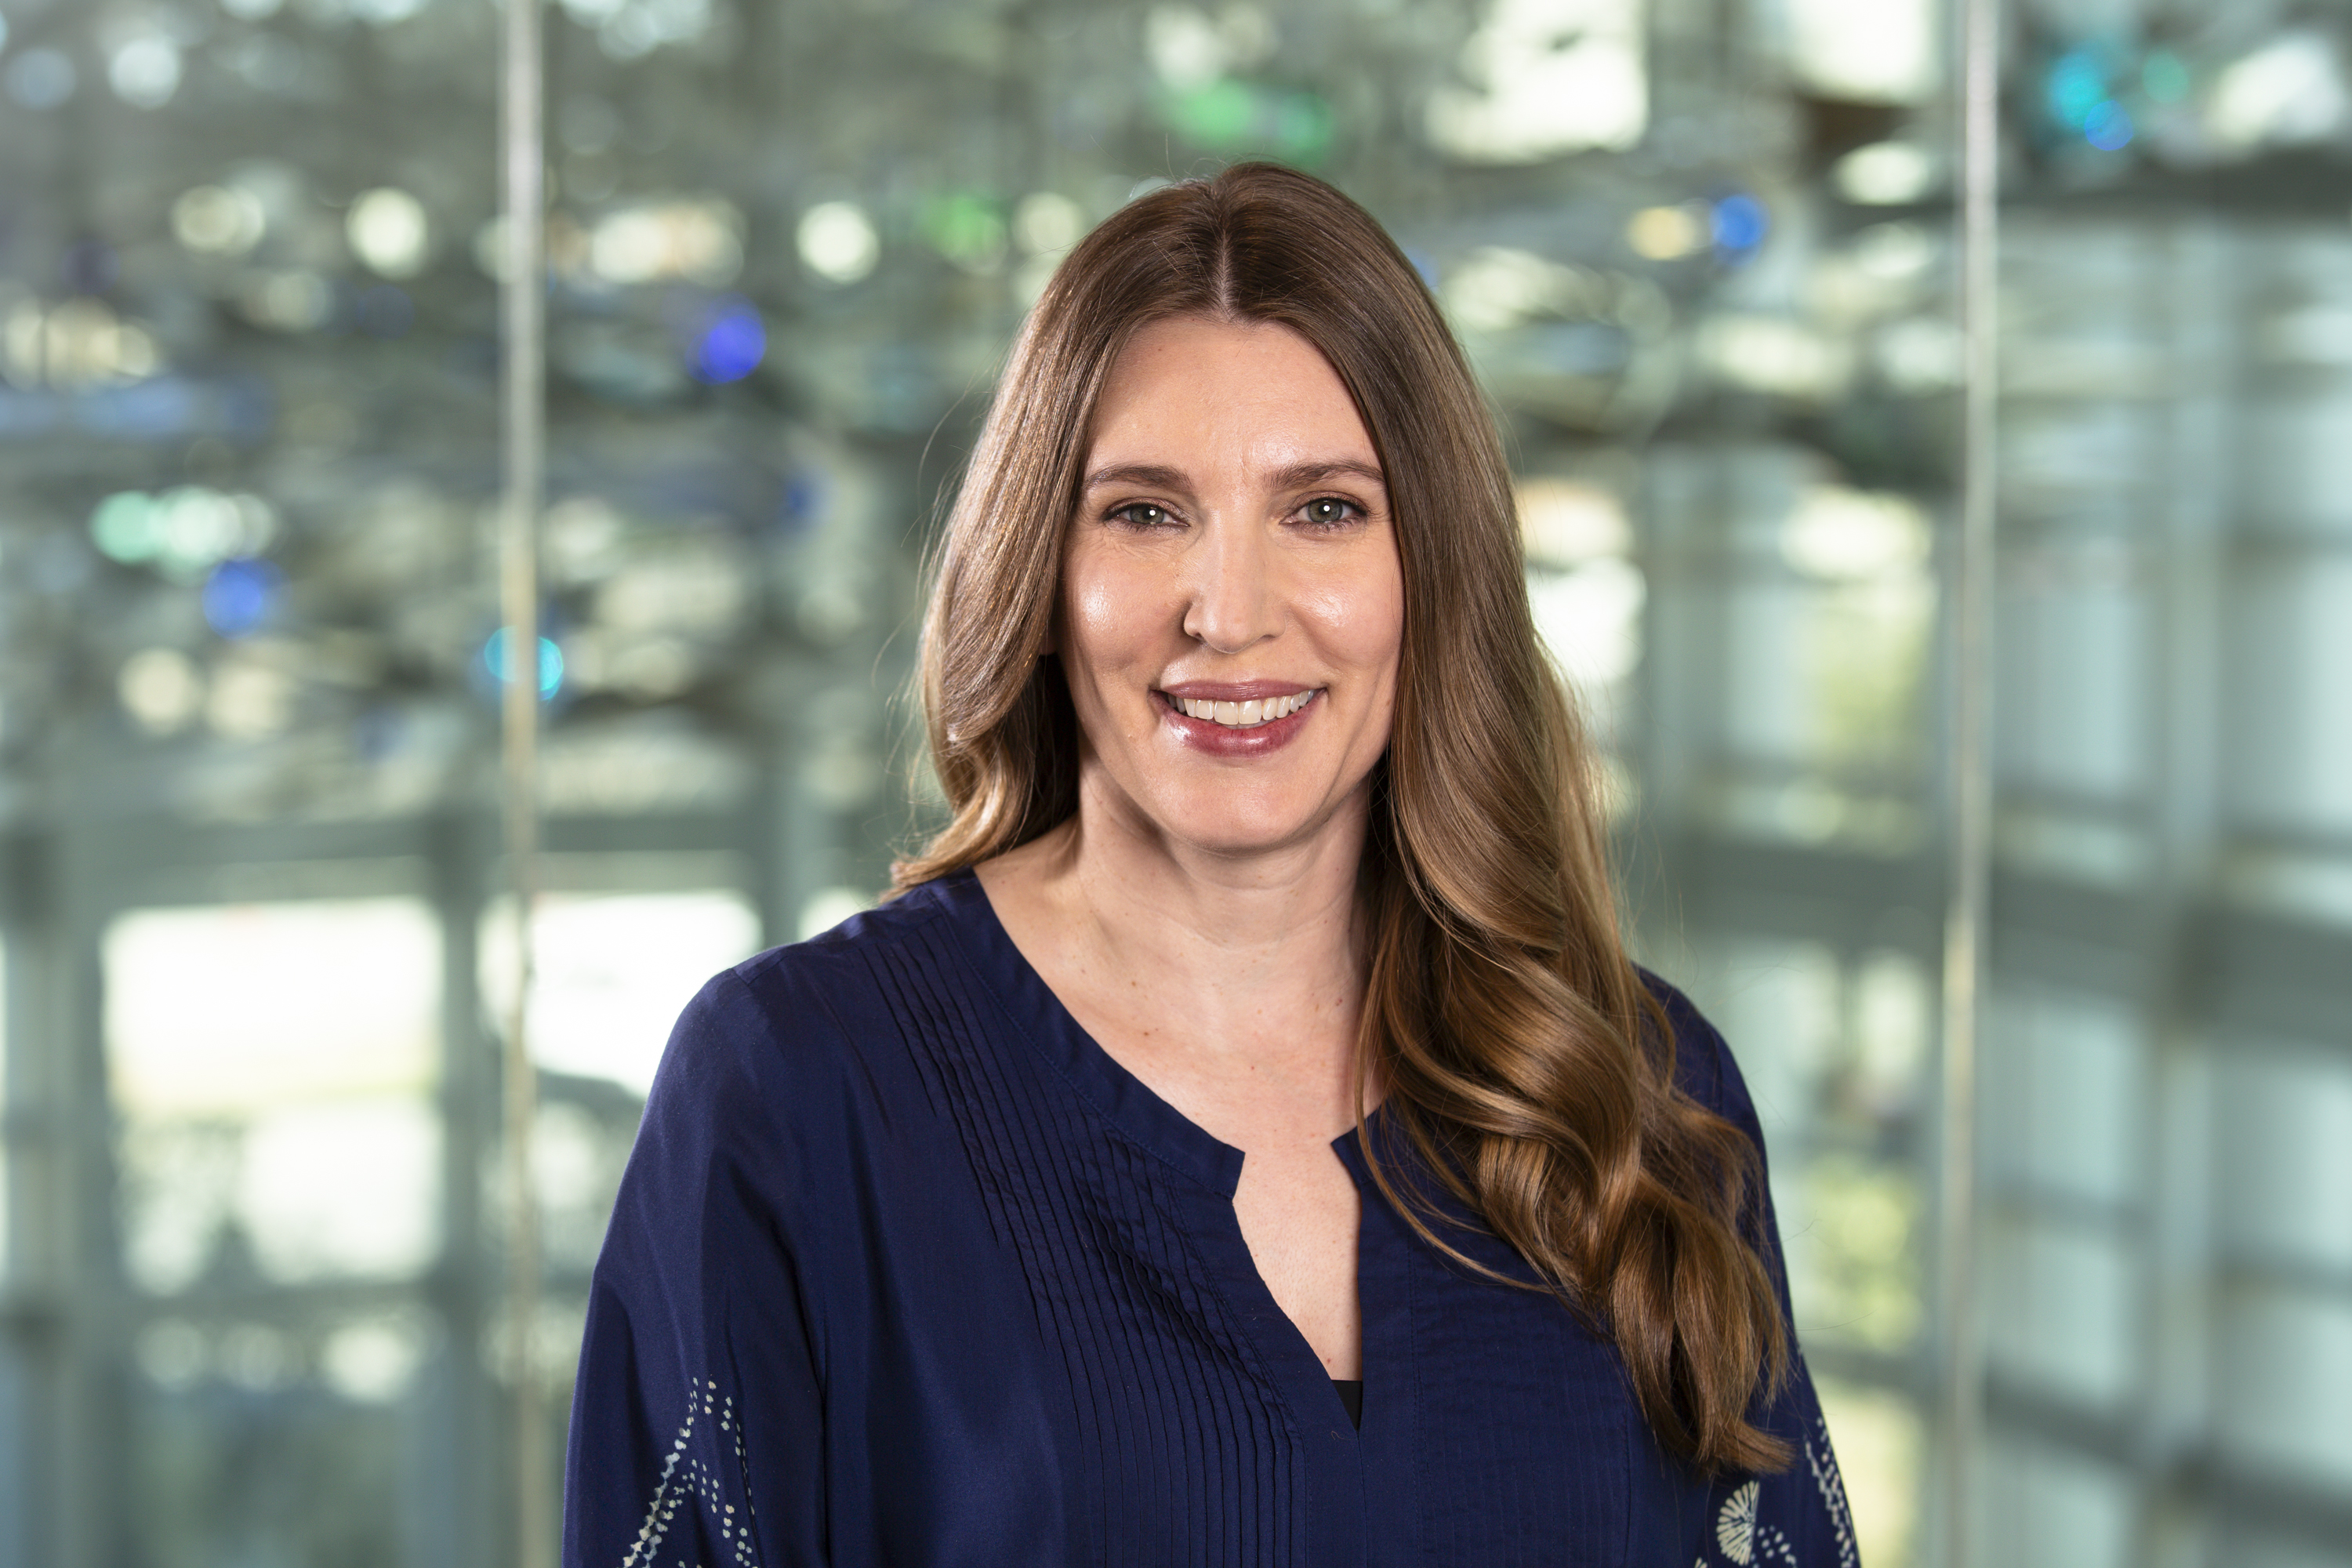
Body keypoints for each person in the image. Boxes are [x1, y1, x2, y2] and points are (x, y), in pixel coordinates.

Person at [564, 162, 1857, 1567]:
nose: (1229, 615)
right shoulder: (801, 1086)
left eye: (1323, 511)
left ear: (1436, 570)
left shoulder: (1644, 1091)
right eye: (1143, 511)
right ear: (1040, 577)